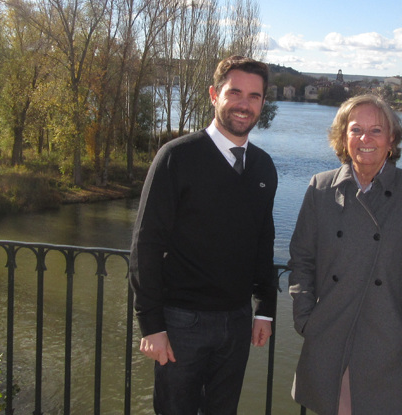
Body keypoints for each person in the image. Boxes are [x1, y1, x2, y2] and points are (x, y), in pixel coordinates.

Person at [128, 55, 278, 415]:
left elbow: (263, 241)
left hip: (238, 322)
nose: (244, 104)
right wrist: (151, 326)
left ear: (262, 104)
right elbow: (146, 245)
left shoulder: (262, 166)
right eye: (235, 92)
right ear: (214, 95)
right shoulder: (176, 158)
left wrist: (265, 310)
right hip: (182, 323)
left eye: (254, 96)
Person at [288, 95, 402, 415]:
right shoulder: (320, 188)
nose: (365, 139)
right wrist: (306, 318)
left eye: (376, 130)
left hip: (388, 342)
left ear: (391, 140)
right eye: (356, 130)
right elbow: (301, 259)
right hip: (330, 337)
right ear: (343, 139)